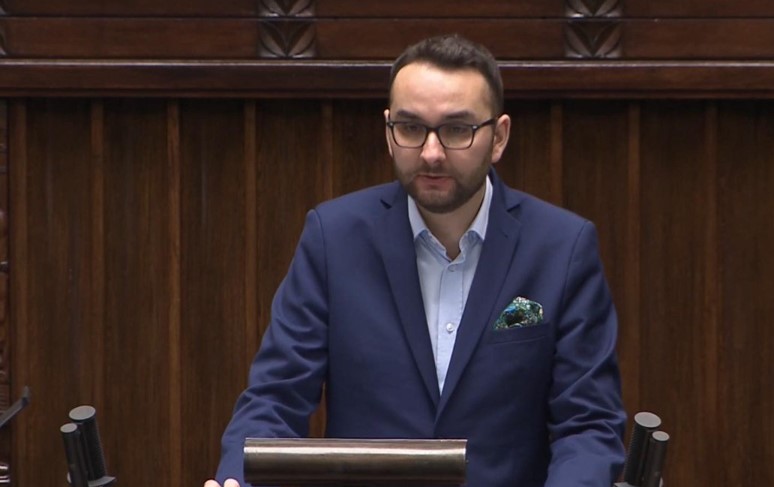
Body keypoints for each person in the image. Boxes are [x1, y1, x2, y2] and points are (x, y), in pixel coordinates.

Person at [206, 34, 626, 487]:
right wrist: (237, 480)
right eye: (410, 128)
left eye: (457, 130)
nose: (431, 153)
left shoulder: (561, 247)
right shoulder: (334, 239)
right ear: (389, 132)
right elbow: (275, 397)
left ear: (499, 137)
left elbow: (588, 425)